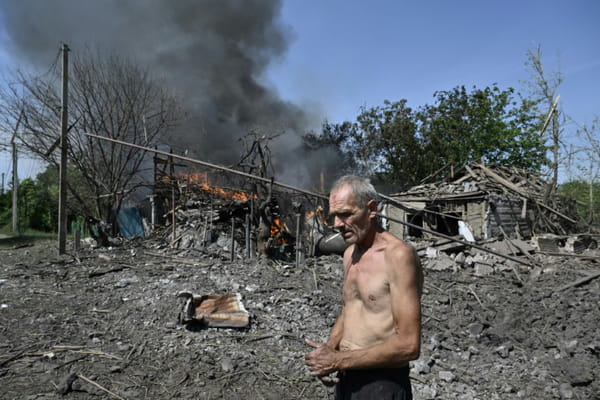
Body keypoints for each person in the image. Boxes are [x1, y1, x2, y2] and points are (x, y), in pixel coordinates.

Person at [304, 175, 423, 400]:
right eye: (334, 216)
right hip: (347, 379)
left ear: (371, 209)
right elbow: (349, 309)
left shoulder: (398, 256)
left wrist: (338, 360)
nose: (338, 223)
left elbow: (409, 344)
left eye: (346, 214)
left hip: (382, 382)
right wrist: (329, 351)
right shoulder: (350, 254)